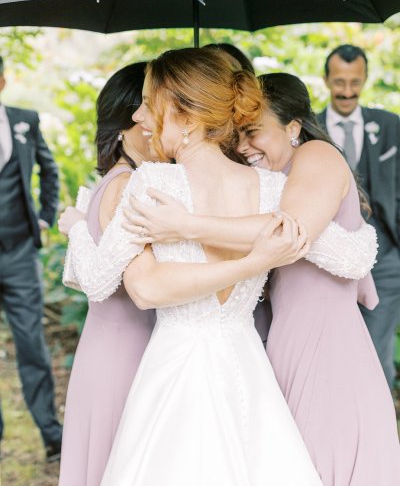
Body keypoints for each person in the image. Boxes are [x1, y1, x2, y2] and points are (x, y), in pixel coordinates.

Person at [122, 72, 400, 486]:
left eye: (254, 132)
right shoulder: (270, 184)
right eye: (239, 134)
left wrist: (186, 225)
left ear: (292, 128)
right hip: (280, 339)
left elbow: (287, 233)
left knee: (328, 461)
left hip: (326, 347)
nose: (244, 145)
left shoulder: (316, 154)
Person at [57, 63, 156, 486]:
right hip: (124, 349)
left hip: (105, 343)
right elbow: (100, 279)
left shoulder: (111, 181)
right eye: (146, 113)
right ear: (122, 125)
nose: (153, 125)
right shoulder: (127, 184)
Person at [318, 44, 400, 388]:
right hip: (327, 260)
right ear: (326, 80)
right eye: (339, 82)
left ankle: (380, 433)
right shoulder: (310, 129)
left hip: (386, 260)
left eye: (354, 82)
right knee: (330, 353)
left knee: (377, 352)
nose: (347, 91)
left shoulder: (391, 126)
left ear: (365, 78)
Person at [0, 55, 62, 461]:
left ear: (2, 80)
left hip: (20, 251)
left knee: (32, 346)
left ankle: (52, 436)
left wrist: (45, 216)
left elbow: (48, 169)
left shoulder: (25, 119)